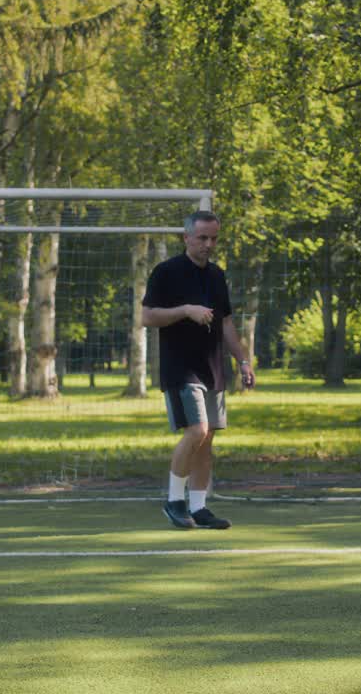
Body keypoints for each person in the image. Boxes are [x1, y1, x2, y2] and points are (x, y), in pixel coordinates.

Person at [142, 210, 255, 530]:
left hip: (213, 369)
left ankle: (199, 507)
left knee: (207, 441)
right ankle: (174, 501)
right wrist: (186, 311)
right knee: (197, 431)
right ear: (186, 237)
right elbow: (147, 317)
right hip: (181, 368)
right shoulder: (166, 272)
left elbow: (227, 322)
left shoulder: (217, 276)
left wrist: (242, 361)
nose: (209, 244)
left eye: (214, 238)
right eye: (202, 237)